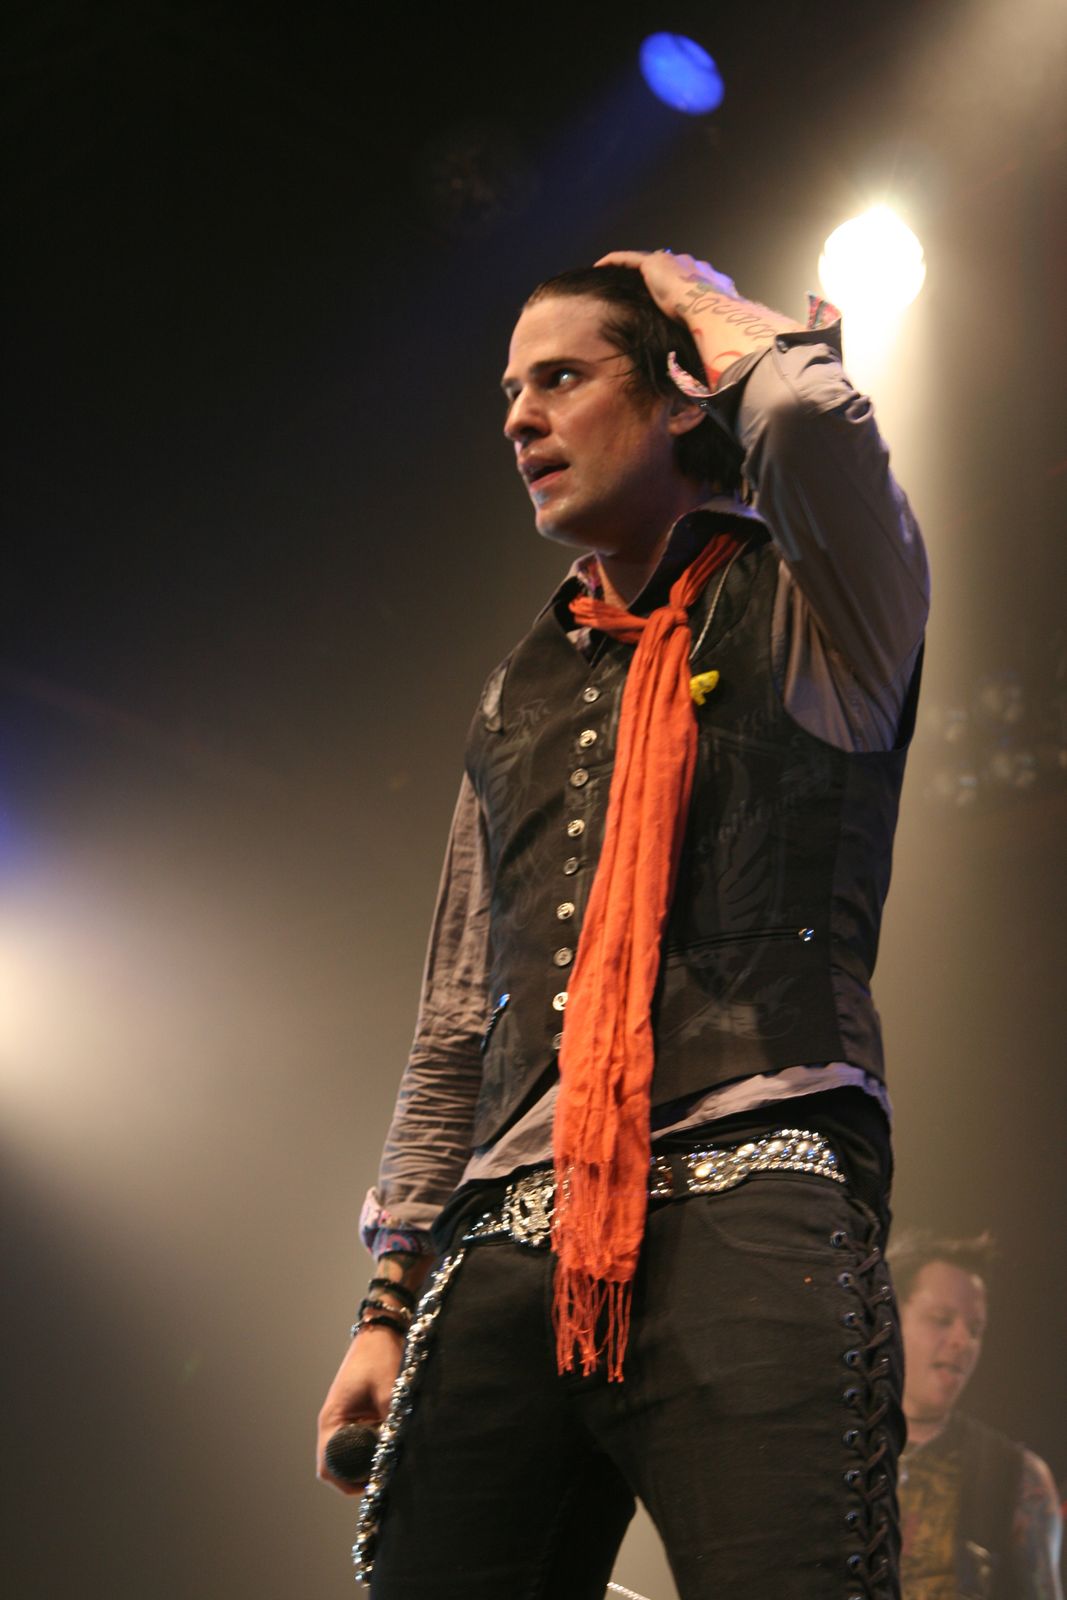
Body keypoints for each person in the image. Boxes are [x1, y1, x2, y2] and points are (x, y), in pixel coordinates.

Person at [316, 248, 930, 1599]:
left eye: (558, 378)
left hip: (754, 1197)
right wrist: (386, 1301)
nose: (516, 418)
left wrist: (684, 295)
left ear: (674, 395)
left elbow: (805, 418)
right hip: (504, 1241)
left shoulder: (822, 607)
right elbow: (454, 1023)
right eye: (507, 391)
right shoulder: (513, 692)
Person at [891, 1231, 1064, 1600]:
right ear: (889, 1319)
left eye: (975, 1330)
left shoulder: (1017, 1474)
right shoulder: (826, 1449)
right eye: (941, 1319)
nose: (962, 1341)